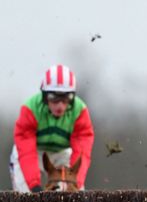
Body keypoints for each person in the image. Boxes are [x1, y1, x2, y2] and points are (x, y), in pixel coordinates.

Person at [11, 64, 95, 192]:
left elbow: (81, 153)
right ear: (45, 96)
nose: (60, 105)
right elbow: (27, 151)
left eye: (66, 98)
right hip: (33, 152)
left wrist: (76, 181)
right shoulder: (30, 109)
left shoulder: (80, 111)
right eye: (53, 98)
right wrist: (34, 186)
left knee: (75, 192)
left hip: (62, 152)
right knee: (26, 195)